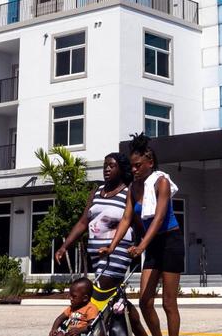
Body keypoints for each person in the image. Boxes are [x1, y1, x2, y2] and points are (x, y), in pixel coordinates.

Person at [57, 153, 145, 336]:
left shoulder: (128, 192)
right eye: (105, 165)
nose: (106, 169)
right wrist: (65, 245)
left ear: (121, 169)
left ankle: (85, 327)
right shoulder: (96, 192)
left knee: (101, 293)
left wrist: (140, 246)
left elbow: (137, 223)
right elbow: (83, 222)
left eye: (111, 166)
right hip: (97, 254)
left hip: (118, 252)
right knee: (117, 300)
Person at [127, 134, 183, 336]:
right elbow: (127, 219)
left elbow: (159, 219)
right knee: (145, 301)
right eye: (132, 166)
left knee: (168, 303)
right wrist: (113, 245)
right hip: (153, 245)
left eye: (138, 165)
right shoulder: (133, 188)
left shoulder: (162, 183)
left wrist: (141, 246)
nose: (134, 170)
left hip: (170, 241)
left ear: (150, 163)